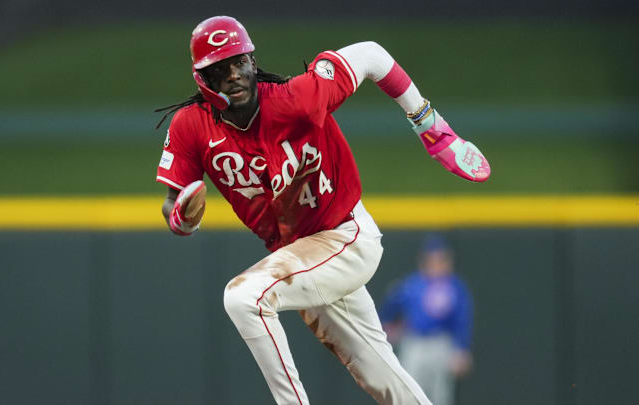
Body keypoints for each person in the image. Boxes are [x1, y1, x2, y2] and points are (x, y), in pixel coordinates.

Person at [154, 16, 490, 405]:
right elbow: (172, 204)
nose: (233, 74)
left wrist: (430, 126)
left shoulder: (299, 98)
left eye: (239, 61)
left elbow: (371, 55)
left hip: (345, 235)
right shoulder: (190, 126)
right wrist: (182, 219)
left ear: (252, 60)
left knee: (244, 298)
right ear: (202, 79)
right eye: (219, 68)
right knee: (385, 378)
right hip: (301, 257)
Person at [379, 235, 474, 405]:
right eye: (433, 259)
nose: (437, 263)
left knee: (440, 395)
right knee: (408, 391)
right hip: (414, 342)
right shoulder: (413, 283)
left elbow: (461, 320)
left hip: (441, 343)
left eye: (441, 259)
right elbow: (391, 305)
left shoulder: (454, 286)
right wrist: (389, 325)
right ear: (424, 260)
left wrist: (461, 349)